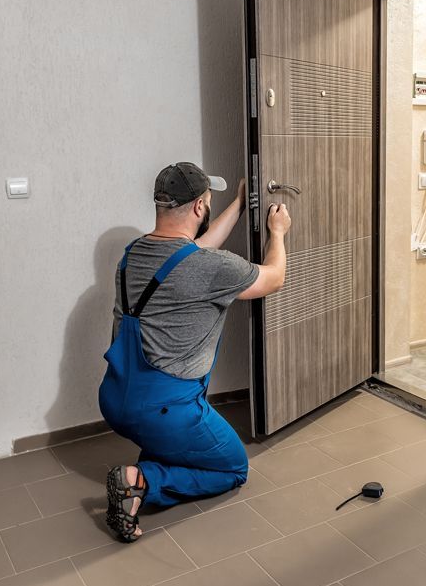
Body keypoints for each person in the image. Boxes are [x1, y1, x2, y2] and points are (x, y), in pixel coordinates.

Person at [98, 161, 291, 542]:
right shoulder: (212, 269)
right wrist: (278, 233)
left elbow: (190, 253)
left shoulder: (132, 254)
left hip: (115, 399)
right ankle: (141, 480)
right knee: (233, 468)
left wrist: (237, 203)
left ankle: (153, 459)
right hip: (168, 410)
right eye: (207, 202)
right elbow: (274, 277)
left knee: (166, 438)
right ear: (200, 208)